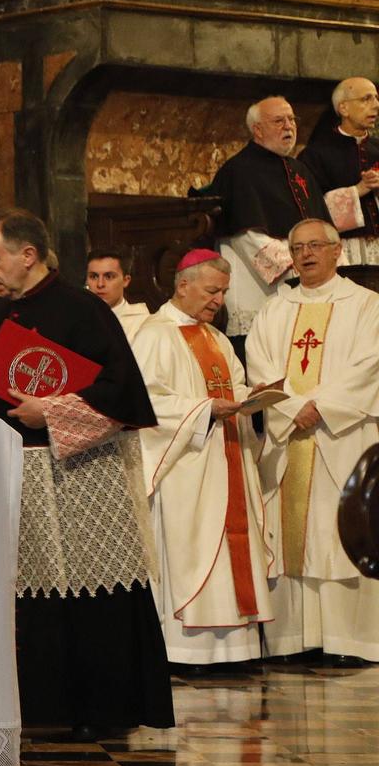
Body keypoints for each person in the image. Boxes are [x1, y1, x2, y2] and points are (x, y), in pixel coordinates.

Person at [0, 210, 173, 740]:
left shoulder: (83, 310)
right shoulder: (8, 313)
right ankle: (47, 707)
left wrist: (50, 412)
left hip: (86, 475)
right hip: (28, 473)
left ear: (26, 255)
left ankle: (107, 708)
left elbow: (122, 392)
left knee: (97, 589)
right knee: (38, 593)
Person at [129, 251, 277, 669]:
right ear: (183, 286)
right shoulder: (154, 335)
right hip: (186, 468)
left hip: (225, 455)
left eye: (224, 293)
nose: (219, 301)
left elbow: (234, 387)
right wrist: (205, 410)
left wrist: (253, 398)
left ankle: (235, 649)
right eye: (212, 291)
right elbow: (146, 404)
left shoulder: (217, 339)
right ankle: (186, 651)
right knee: (194, 548)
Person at [244, 219, 379, 666]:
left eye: (315, 246)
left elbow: (368, 365)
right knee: (290, 534)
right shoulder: (274, 309)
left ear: (337, 251)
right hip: (290, 438)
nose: (305, 254)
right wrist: (290, 408)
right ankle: (293, 639)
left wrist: (319, 406)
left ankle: (351, 641)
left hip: (343, 436)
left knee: (339, 530)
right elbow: (260, 365)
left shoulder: (366, 305)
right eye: (298, 247)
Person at [198, 96, 328, 350]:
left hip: (301, 275)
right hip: (260, 284)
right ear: (257, 130)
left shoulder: (300, 170)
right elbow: (246, 235)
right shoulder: (239, 170)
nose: (288, 126)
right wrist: (299, 262)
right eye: (279, 121)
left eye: (291, 119)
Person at [299, 76, 379, 265]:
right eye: (366, 99)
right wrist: (358, 190)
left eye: (376, 98)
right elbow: (311, 210)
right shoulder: (315, 154)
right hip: (344, 252)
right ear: (343, 108)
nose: (376, 105)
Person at [84, 249, 150, 340]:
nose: (100, 284)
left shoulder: (144, 324)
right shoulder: (75, 320)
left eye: (109, 276)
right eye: (94, 276)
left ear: (126, 281)